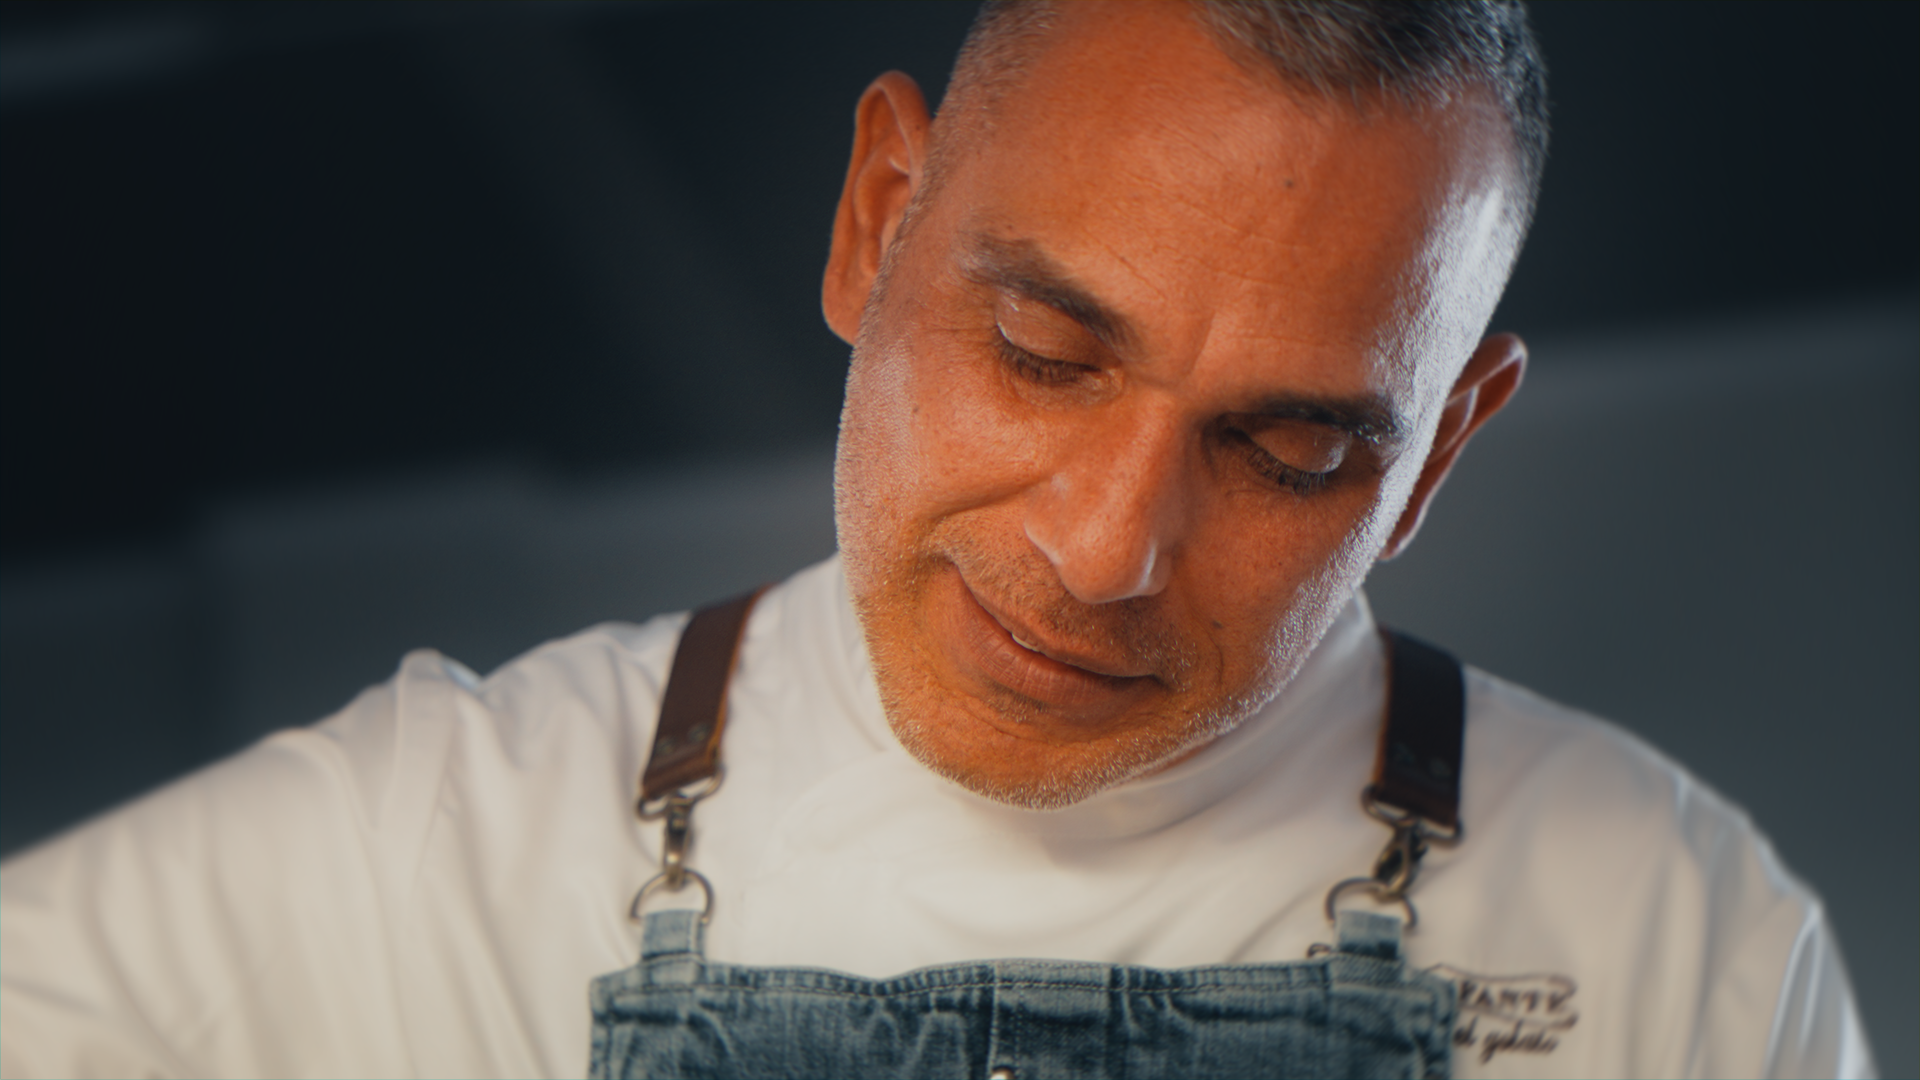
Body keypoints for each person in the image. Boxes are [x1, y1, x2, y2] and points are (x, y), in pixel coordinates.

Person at [0, 2, 1876, 1078]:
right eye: (1047, 354)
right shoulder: (432, 851)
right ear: (877, 222)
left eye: (1292, 447)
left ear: (1439, 453)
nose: (1105, 546)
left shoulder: (1669, 938)